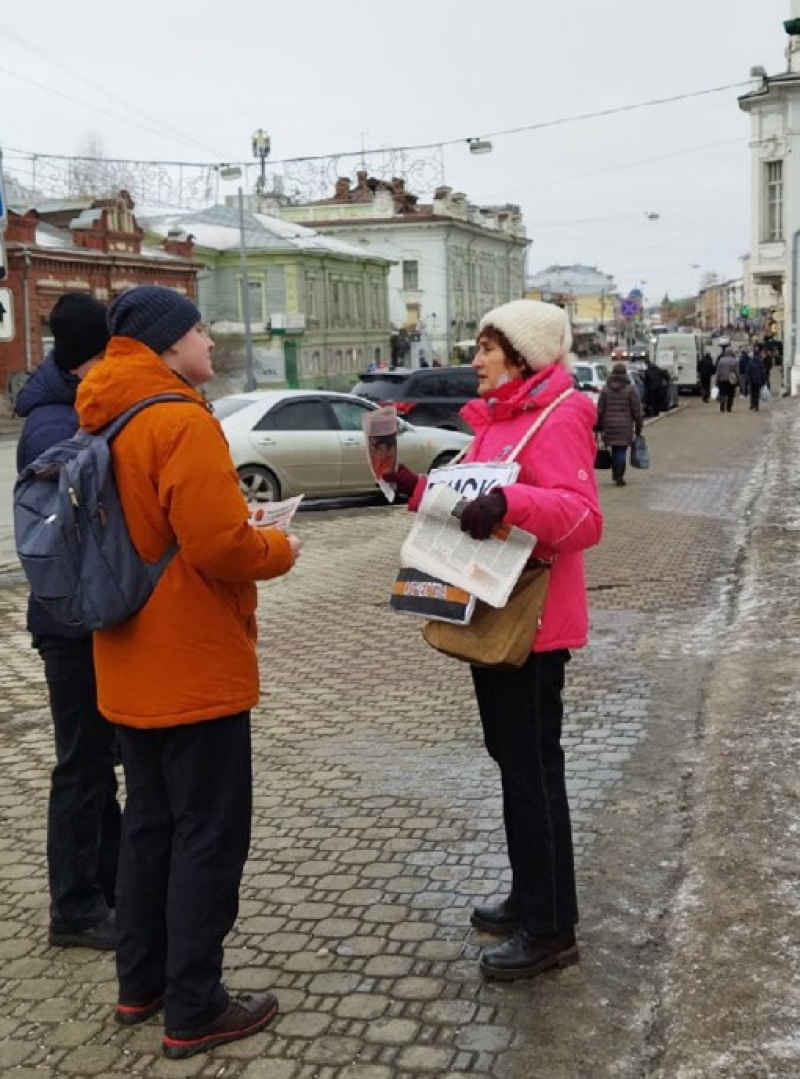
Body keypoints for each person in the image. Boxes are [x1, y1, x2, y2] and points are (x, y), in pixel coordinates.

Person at [74, 286, 301, 1059]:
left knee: (149, 827)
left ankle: (141, 983)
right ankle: (196, 1003)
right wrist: (277, 547)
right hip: (194, 665)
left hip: (128, 661)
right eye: (201, 331)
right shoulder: (180, 419)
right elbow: (220, 547)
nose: (210, 343)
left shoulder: (104, 411)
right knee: (208, 833)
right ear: (170, 344)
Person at [388, 300, 602, 981]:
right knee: (514, 762)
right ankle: (529, 895)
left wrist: (513, 505)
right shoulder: (498, 423)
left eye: (485, 347)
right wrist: (411, 486)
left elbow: (583, 517)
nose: (473, 359)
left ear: (522, 356)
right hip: (490, 609)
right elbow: (470, 503)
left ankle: (551, 929)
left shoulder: (559, 416)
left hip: (532, 625)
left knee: (533, 771)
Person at [15, 293, 120, 952]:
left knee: (98, 762)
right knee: (82, 767)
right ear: (94, 356)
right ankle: (75, 906)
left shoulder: (66, 408)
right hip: (69, 622)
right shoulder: (55, 425)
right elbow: (83, 517)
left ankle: (106, 887)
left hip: (85, 618)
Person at [596, 362, 643, 487]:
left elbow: (600, 408)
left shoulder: (606, 389)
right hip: (625, 425)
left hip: (609, 424)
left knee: (615, 448)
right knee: (621, 450)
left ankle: (616, 473)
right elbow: (636, 409)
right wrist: (639, 425)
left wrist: (598, 424)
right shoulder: (630, 389)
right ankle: (619, 476)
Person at [715, 346, 739, 413]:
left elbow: (718, 372)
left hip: (722, 380)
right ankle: (729, 407)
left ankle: (722, 405)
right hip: (731, 380)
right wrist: (738, 381)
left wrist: (716, 381)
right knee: (730, 394)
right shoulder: (735, 361)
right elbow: (737, 372)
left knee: (722, 393)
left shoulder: (721, 360)